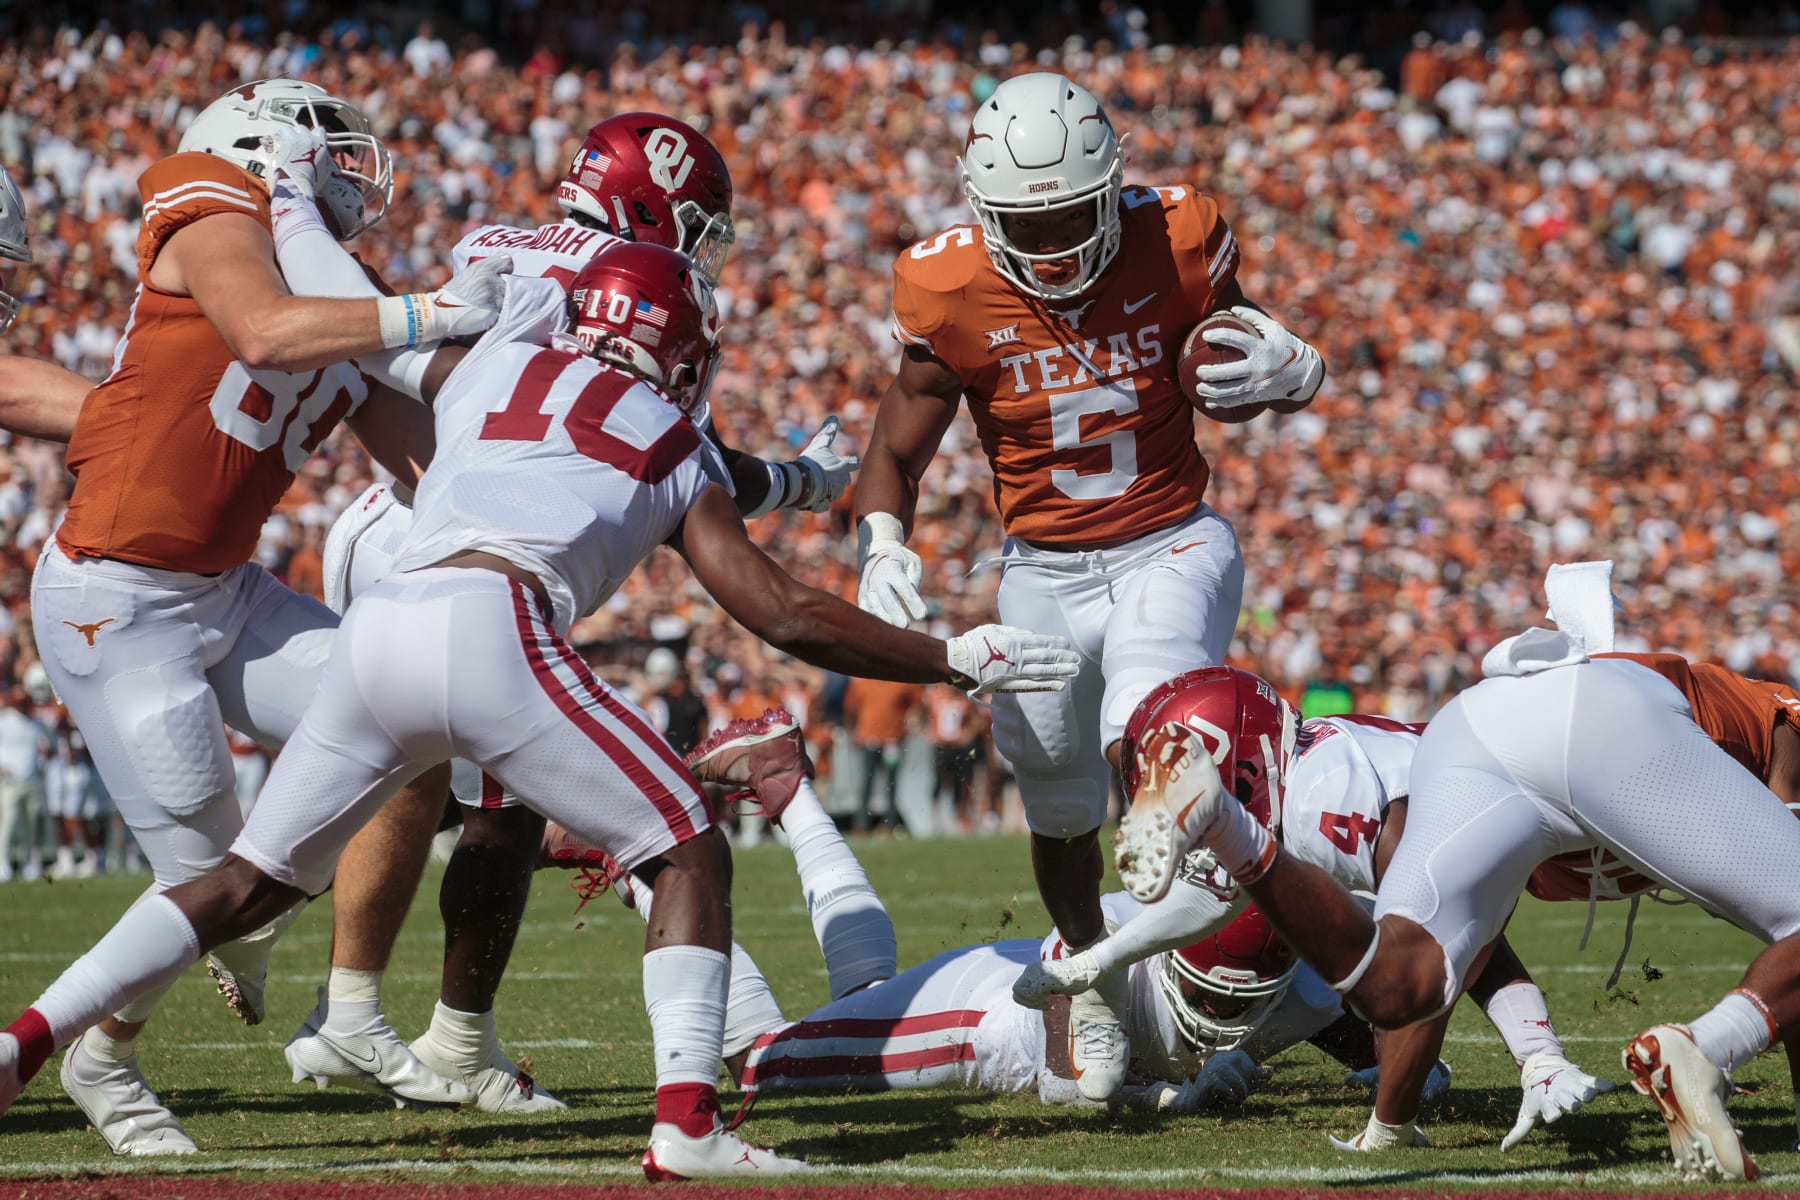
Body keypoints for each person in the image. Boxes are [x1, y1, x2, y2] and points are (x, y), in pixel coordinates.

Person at [0, 241, 1079, 1179]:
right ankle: (689, 1125)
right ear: (683, 348)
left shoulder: (493, 368)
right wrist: (949, 659)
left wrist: (291, 217)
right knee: (688, 844)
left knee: (242, 882)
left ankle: (27, 1041)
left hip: (381, 628)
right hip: (494, 623)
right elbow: (783, 612)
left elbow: (373, 342)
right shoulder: (672, 435)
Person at [286, 112, 862, 1113]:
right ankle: (353, 1011)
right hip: (466, 548)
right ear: (652, 208)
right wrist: (807, 483)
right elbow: (688, 462)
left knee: (475, 807)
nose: (702, 246)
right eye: (695, 222)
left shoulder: (494, 244)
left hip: (406, 518)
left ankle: (395, 1018)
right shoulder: (629, 288)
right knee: (543, 812)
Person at [23, 77, 514, 1156]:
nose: (352, 175)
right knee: (204, 882)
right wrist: (433, 310)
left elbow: (431, 460)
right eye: (334, 152)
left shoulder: (346, 301)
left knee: (415, 713)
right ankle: (106, 1057)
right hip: (119, 600)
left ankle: (303, 954)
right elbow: (261, 330)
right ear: (268, 146)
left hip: (228, 593)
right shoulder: (206, 203)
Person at [853, 72, 1325, 1100]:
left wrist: (1292, 370)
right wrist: (883, 538)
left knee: (1149, 709)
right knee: (1060, 798)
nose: (1060, 241)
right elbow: (898, 443)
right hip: (1041, 569)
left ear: (1112, 188)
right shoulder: (946, 286)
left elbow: (1232, 369)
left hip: (1170, 540)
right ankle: (1096, 982)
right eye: (1033, 219)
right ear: (986, 211)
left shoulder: (1181, 235)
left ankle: (1233, 961)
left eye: (1075, 210)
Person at [1131, 638, 1800, 1181]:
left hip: (1474, 728)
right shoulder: (1782, 722)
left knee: (1402, 983)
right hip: (1594, 723)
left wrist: (1396, 1124)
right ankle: (1705, 1050)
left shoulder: (1324, 769)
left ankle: (1224, 822)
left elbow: (1453, 961)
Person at [1097, 667, 1613, 1151]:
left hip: (1578, 788)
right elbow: (1467, 916)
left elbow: (1436, 947)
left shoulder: (1317, 805)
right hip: (1544, 788)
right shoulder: (1307, 769)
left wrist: (1391, 1123)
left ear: (1240, 769)